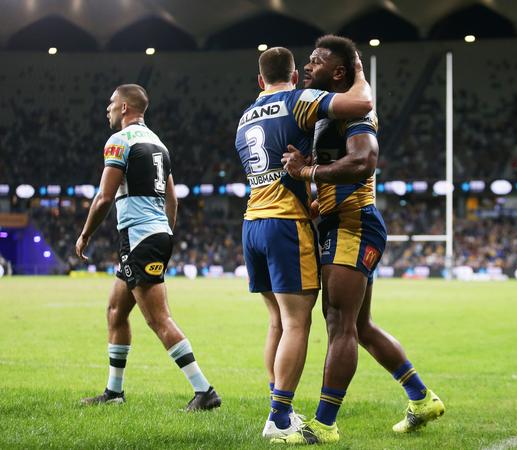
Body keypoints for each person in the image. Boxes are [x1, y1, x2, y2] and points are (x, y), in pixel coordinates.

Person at [276, 35, 444, 444]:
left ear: (338, 72)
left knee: (340, 326)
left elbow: (365, 161)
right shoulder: (327, 110)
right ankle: (421, 399)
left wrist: (308, 174)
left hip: (354, 225)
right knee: (360, 326)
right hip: (340, 222)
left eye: (316, 61)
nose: (308, 66)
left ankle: (324, 424)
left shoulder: (352, 111)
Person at [234, 47, 373, 439]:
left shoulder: (244, 118)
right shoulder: (298, 100)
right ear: (294, 76)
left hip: (252, 224)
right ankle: (279, 420)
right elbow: (360, 102)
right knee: (297, 322)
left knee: (276, 321)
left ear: (260, 81)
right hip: (284, 224)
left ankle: (281, 408)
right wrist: (358, 69)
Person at [76, 84, 220, 411]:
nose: (108, 109)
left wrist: (85, 234)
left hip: (141, 237)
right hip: (150, 236)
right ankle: (114, 393)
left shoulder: (120, 141)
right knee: (116, 310)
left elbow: (104, 197)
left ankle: (204, 390)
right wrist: (164, 233)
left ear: (125, 107)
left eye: (111, 103)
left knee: (158, 319)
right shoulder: (159, 144)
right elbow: (173, 199)